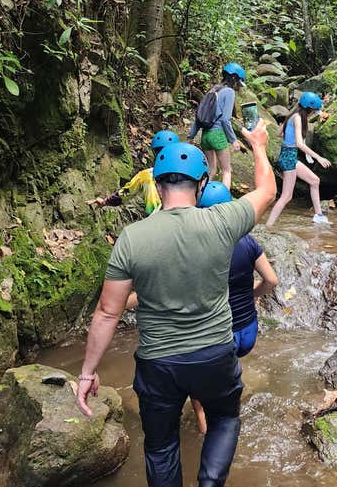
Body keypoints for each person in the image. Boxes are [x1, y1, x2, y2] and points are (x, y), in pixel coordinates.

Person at [76, 121, 276, 487]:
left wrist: (88, 371)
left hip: (158, 364)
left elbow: (108, 311)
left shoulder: (132, 238)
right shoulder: (223, 221)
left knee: (161, 447)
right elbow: (267, 190)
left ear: (157, 183)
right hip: (214, 355)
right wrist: (259, 145)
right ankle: (210, 482)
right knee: (225, 419)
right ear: (202, 184)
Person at [189, 181, 279, 434]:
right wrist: (251, 296)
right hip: (247, 333)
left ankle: (203, 424)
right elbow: (271, 280)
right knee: (227, 368)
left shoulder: (197, 248)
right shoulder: (247, 242)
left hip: (220, 335)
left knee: (197, 378)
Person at [265, 91, 332, 226]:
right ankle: (268, 225)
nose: (314, 113)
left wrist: (290, 135)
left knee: (314, 181)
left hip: (288, 156)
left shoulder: (293, 115)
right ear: (310, 108)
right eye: (314, 111)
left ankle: (318, 215)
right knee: (286, 196)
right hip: (289, 157)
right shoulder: (297, 118)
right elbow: (300, 144)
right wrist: (318, 157)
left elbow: (279, 133)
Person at [86, 130, 180, 214]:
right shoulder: (187, 174)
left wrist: (104, 202)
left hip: (155, 223)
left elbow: (125, 193)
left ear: (154, 153)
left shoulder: (145, 175)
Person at [189, 62, 246, 190]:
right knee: (227, 170)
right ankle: (225, 202)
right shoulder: (229, 92)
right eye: (239, 83)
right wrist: (233, 140)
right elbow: (226, 119)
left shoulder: (213, 89)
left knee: (212, 171)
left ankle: (199, 196)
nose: (239, 87)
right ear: (234, 78)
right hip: (217, 135)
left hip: (205, 136)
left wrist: (191, 135)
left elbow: (200, 114)